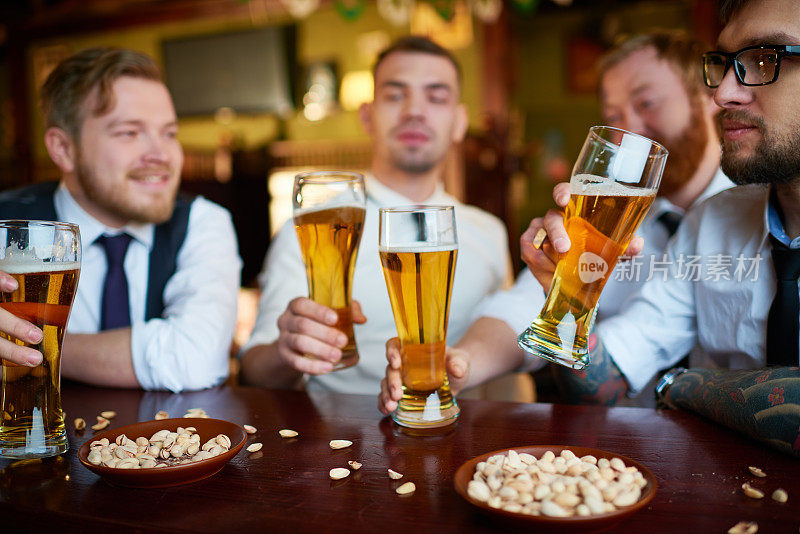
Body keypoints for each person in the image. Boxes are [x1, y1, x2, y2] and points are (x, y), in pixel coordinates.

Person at [379, 30, 733, 412]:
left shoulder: (763, 209)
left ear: (708, 97)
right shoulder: (615, 221)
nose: (628, 126)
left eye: (646, 102)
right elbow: (525, 304)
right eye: (613, 115)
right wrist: (461, 362)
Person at [514, 0, 800, 456]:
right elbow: (602, 384)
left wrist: (677, 384)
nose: (722, 94)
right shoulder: (713, 222)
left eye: (765, 59)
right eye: (724, 65)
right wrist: (568, 305)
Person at [240, 36, 511, 394]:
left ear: (460, 122)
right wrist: (286, 349)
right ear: (367, 116)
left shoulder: (489, 231)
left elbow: (507, 360)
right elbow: (254, 370)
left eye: (436, 97)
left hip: (457, 435)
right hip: (339, 440)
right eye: (396, 95)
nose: (415, 110)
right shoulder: (314, 228)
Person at [0, 48, 241, 392]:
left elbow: (193, 359)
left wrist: (30, 346)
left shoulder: (203, 222)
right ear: (63, 149)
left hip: (164, 443)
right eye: (130, 132)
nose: (161, 155)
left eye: (170, 133)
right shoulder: (5, 226)